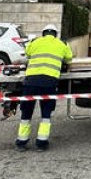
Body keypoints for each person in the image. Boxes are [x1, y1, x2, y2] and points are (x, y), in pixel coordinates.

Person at [15, 23, 74, 151]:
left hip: (31, 81)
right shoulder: (62, 44)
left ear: (43, 33)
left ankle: (21, 142)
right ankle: (41, 143)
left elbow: (28, 53)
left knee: (26, 112)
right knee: (46, 114)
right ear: (55, 34)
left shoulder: (35, 42)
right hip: (49, 82)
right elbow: (69, 58)